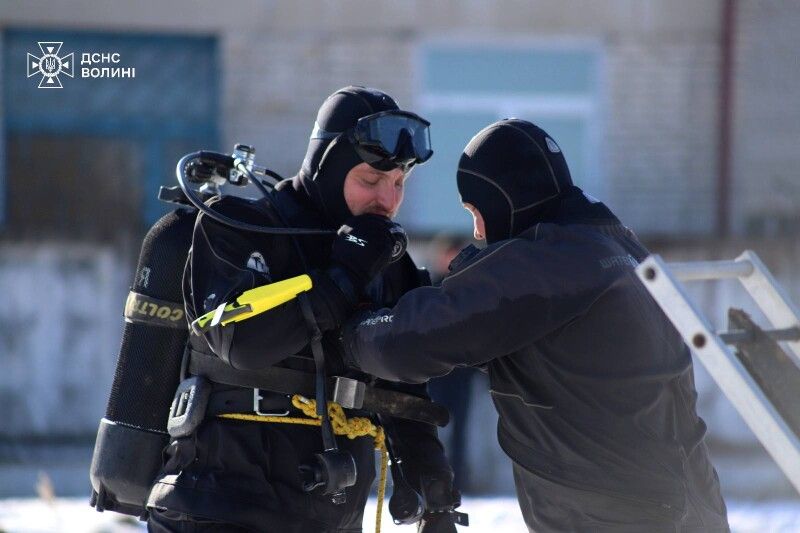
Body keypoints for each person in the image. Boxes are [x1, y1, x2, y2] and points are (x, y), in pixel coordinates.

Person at [339, 119, 730, 532]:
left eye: (476, 211)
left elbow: (409, 341)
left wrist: (348, 327)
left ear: (506, 200)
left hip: (617, 516)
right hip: (686, 502)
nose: (477, 231)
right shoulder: (614, 244)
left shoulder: (551, 263)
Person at [146, 87, 462, 533]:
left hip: (330, 513)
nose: (387, 201)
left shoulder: (387, 262)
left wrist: (436, 500)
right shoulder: (239, 226)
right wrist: (344, 276)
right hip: (218, 505)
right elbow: (241, 342)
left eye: (398, 184)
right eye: (371, 180)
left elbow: (405, 389)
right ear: (328, 167)